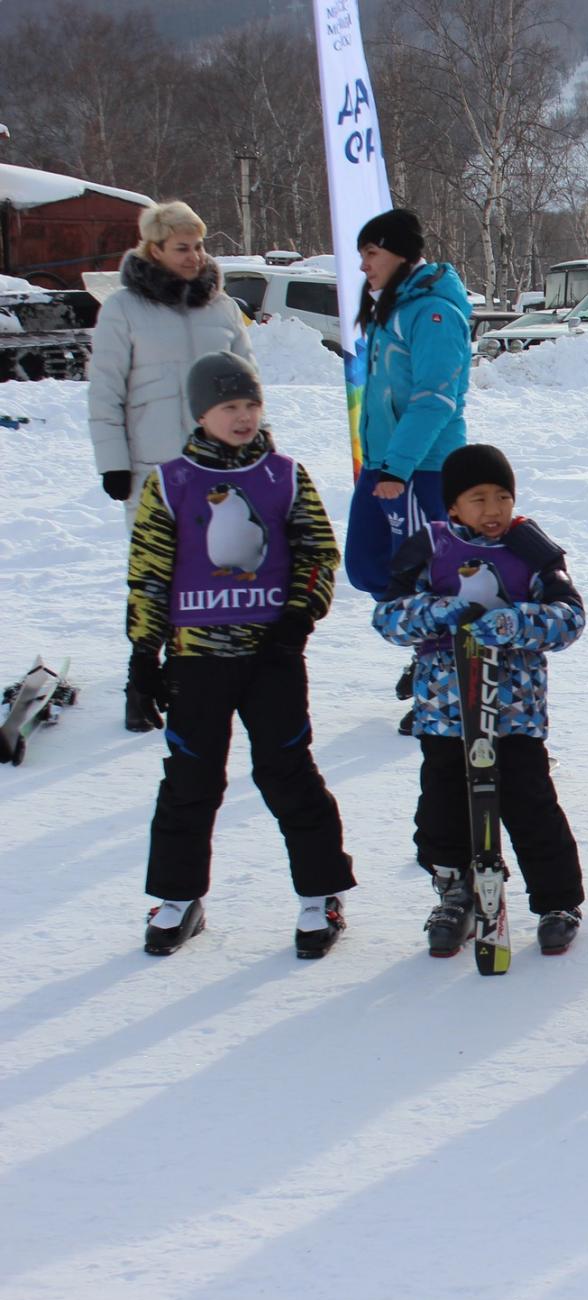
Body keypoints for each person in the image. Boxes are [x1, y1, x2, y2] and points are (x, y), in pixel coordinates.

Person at [127, 352, 354, 958]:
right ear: (201, 413)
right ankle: (178, 897)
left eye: (252, 404)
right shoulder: (170, 482)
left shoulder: (284, 475)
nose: (244, 416)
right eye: (229, 406)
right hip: (197, 660)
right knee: (189, 779)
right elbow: (148, 573)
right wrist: (143, 658)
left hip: (271, 657)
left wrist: (298, 620)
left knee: (287, 772)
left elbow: (318, 554)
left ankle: (321, 894)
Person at [372, 443, 588, 957]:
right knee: (442, 808)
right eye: (478, 499)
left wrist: (520, 622)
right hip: (446, 712)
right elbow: (388, 616)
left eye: (502, 497)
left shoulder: (531, 549)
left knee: (530, 802)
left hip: (513, 710)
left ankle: (558, 900)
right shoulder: (430, 547)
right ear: (452, 506)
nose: (493, 510)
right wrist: (440, 612)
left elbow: (571, 617)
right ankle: (455, 891)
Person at [87, 201, 256, 733]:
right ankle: (142, 675)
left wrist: (255, 453)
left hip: (218, 471)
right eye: (181, 247)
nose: (194, 256)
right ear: (153, 249)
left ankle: (199, 673)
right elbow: (105, 391)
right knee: (155, 575)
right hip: (152, 470)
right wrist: (113, 463)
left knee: (214, 570)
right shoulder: (124, 310)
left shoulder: (222, 308)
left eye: (199, 246)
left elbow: (249, 388)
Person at [343, 208, 474, 731]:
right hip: (387, 463)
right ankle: (428, 649)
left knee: (424, 578)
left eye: (371, 254)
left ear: (399, 252)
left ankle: (444, 680)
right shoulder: (393, 307)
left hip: (423, 467)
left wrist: (397, 466)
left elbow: (435, 398)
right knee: (369, 565)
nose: (365, 266)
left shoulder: (434, 312)